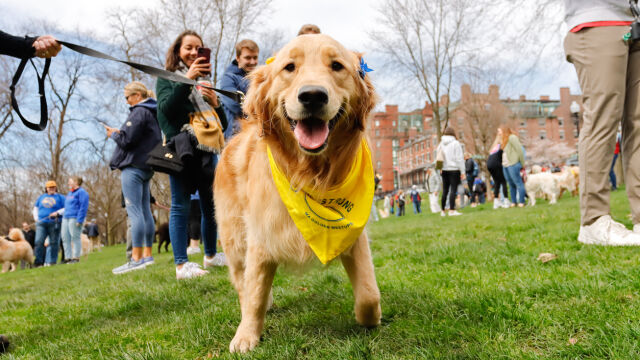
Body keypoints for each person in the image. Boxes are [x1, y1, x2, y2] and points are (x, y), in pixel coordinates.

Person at [564, 2, 640, 244]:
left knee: (638, 125)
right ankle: (593, 221)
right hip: (597, 18)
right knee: (603, 120)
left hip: (634, 21)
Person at [156, 30, 228, 279]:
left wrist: (215, 102)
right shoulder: (166, 78)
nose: (194, 52)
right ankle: (181, 265)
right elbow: (166, 111)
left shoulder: (204, 83)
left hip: (207, 150)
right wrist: (187, 80)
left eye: (199, 48)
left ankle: (211, 255)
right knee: (180, 206)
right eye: (188, 47)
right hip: (182, 148)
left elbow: (223, 125)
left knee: (210, 206)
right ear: (178, 51)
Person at [105, 81, 161, 274]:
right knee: (145, 211)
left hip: (134, 167)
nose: (127, 102)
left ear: (137, 95)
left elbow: (127, 140)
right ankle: (147, 255)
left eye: (127, 97)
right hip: (147, 166)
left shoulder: (139, 112)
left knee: (134, 211)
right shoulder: (153, 112)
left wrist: (114, 134)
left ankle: (135, 259)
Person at [219, 39, 259, 139]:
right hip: (235, 135)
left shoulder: (258, 78)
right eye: (248, 58)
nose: (252, 62)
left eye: (255, 57)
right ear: (238, 58)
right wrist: (259, 109)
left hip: (255, 133)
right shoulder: (228, 78)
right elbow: (234, 103)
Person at [32, 180, 65, 266]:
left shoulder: (61, 198)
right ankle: (39, 262)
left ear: (56, 188)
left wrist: (57, 213)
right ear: (46, 188)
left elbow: (66, 208)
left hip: (55, 222)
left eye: (53, 187)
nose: (51, 189)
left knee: (54, 242)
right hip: (41, 223)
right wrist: (36, 218)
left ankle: (52, 261)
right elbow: (36, 208)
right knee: (39, 241)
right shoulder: (41, 197)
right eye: (50, 187)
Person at [60, 176, 89, 263]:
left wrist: (80, 220)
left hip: (74, 218)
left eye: (70, 181)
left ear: (76, 182)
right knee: (65, 238)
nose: (68, 183)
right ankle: (67, 257)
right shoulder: (69, 193)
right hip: (66, 218)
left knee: (75, 237)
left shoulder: (82, 193)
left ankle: (76, 257)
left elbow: (83, 207)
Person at [437, 127, 465, 216]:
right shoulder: (456, 143)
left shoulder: (441, 144)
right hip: (454, 169)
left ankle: (442, 211)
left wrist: (440, 168)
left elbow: (438, 156)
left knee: (445, 190)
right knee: (453, 190)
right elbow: (459, 158)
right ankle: (452, 210)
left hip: (444, 170)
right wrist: (462, 171)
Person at [500, 125, 526, 208]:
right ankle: (514, 202)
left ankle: (522, 201)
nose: (498, 133)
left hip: (513, 164)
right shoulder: (504, 140)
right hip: (505, 165)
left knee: (518, 183)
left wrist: (522, 163)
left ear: (504, 131)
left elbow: (520, 150)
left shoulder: (512, 137)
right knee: (511, 184)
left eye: (499, 131)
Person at [487, 130, 509, 209]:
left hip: (489, 164)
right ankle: (506, 201)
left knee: (497, 182)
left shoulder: (494, 146)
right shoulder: (502, 145)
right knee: (503, 181)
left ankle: (496, 202)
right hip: (497, 164)